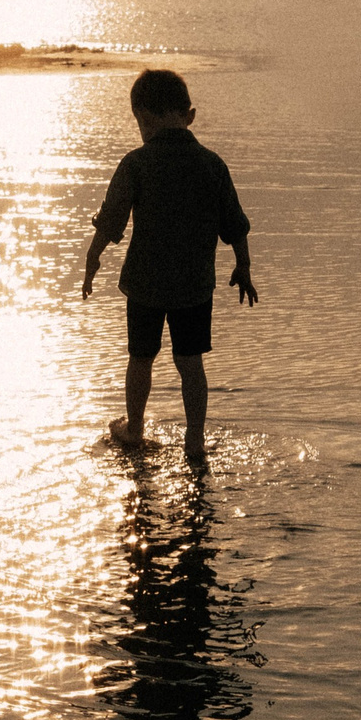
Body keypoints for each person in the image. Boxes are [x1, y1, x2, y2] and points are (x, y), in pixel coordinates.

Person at [82, 69, 255, 462]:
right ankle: (194, 440)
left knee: (141, 358)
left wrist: (92, 261)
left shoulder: (136, 163)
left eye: (141, 123)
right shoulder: (213, 165)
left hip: (145, 283)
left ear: (144, 117)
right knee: (190, 362)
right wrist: (244, 267)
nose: (142, 131)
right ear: (189, 116)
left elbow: (111, 220)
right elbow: (235, 225)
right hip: (194, 283)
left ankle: (135, 429)